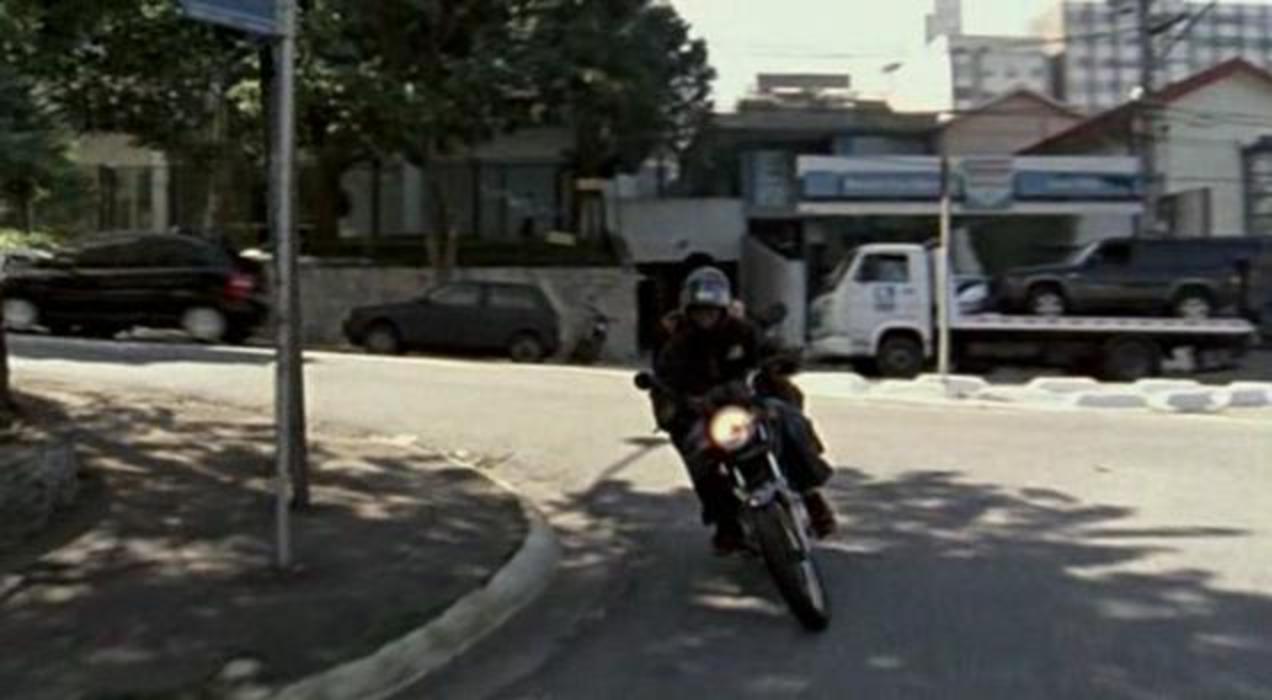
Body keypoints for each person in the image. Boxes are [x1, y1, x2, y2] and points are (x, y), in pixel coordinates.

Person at [653, 266, 837, 554]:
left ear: (723, 309)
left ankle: (813, 499)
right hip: (710, 415)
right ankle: (726, 525)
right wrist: (674, 405)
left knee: (787, 418)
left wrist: (784, 359)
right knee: (697, 454)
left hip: (750, 403)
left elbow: (767, 351)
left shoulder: (742, 331)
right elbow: (664, 382)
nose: (705, 316)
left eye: (711, 310)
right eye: (699, 311)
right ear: (688, 311)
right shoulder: (677, 346)